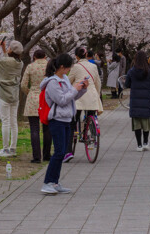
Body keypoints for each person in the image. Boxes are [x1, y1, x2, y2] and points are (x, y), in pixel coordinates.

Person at [40, 53, 90, 194]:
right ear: (62, 67)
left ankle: (55, 182)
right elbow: (61, 100)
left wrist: (82, 88)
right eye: (68, 67)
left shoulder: (65, 79)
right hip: (57, 120)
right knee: (59, 152)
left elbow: (71, 97)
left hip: (67, 118)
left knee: (62, 153)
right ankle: (47, 182)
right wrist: (75, 89)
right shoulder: (52, 83)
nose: (69, 70)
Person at [0, 37, 24, 157]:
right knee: (14, 122)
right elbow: (7, 61)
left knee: (5, 122)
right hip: (14, 95)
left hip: (4, 95)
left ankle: (5, 149)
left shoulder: (6, 62)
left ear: (12, 51)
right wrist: (5, 49)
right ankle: (13, 148)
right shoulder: (20, 63)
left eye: (9, 47)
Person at [68, 46, 103, 161]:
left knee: (73, 121)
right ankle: (89, 134)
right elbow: (97, 82)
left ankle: (69, 149)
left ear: (76, 56)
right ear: (86, 54)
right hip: (91, 94)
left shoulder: (75, 67)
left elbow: (69, 81)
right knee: (90, 115)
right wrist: (97, 94)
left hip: (79, 96)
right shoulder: (93, 66)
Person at [21, 49, 51, 164]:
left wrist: (30, 92)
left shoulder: (30, 67)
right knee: (47, 128)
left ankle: (36, 157)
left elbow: (23, 84)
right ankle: (47, 155)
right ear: (45, 56)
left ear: (34, 57)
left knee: (34, 129)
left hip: (33, 98)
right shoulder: (50, 66)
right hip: (47, 98)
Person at [127, 50, 150, 150]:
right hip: (146, 99)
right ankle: (146, 142)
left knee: (136, 123)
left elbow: (127, 84)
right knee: (145, 122)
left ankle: (139, 145)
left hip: (135, 100)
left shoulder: (132, 71)